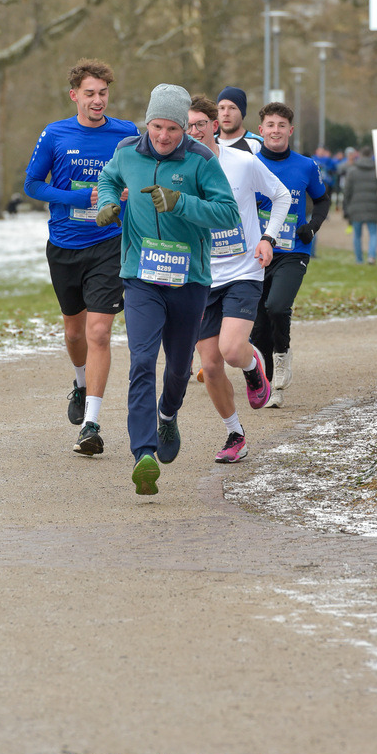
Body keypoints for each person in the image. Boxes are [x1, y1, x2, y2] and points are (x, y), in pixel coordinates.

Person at [96, 83, 239, 495]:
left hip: (189, 279)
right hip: (141, 276)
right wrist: (108, 202)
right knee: (142, 360)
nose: (163, 137)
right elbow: (109, 178)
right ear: (147, 122)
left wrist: (180, 202)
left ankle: (168, 414)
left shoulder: (201, 161)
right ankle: (143, 452)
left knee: (177, 367)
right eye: (157, 127)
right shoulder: (127, 151)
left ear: (184, 128)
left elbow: (227, 214)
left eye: (172, 129)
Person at [24, 58, 138, 456]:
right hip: (65, 245)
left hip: (110, 242)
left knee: (100, 333)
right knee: (75, 333)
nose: (97, 100)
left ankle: (91, 424)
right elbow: (33, 184)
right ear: (74, 95)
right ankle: (79, 382)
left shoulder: (126, 135)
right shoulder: (55, 134)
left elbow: (141, 177)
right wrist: (76, 197)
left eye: (103, 93)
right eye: (89, 93)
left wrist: (128, 194)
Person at [189, 95, 291, 462]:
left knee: (232, 351)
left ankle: (252, 367)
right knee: (211, 365)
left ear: (215, 125)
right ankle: (235, 434)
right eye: (188, 125)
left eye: (201, 123)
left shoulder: (243, 162)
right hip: (201, 277)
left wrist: (268, 238)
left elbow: (281, 196)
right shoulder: (178, 171)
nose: (195, 130)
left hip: (244, 269)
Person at [251, 102, 330, 408]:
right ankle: (270, 386)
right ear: (261, 130)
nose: (275, 131)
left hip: (293, 250)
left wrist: (312, 226)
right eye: (270, 125)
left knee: (277, 305)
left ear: (290, 131)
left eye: (281, 125)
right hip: (258, 252)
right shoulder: (250, 165)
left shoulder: (306, 166)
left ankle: (282, 354)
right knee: (257, 322)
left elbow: (322, 200)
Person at [343, 146, 377, 264]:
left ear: (359, 155)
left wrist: (347, 207)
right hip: (373, 206)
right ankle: (371, 256)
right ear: (371, 155)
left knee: (357, 235)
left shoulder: (352, 171)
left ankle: (359, 259)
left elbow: (347, 191)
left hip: (355, 207)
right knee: (373, 233)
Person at [216, 87, 262, 154]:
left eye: (232, 108)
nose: (226, 113)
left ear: (242, 113)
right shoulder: (208, 143)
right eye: (222, 108)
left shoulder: (257, 144)